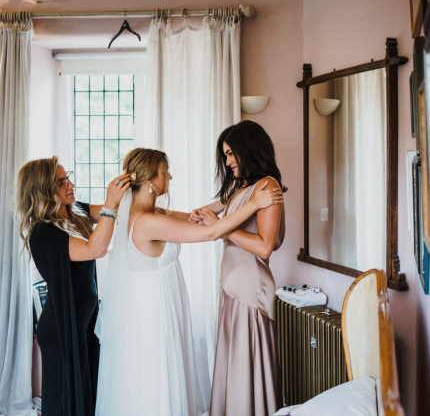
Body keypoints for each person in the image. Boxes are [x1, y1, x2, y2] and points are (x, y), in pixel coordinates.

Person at [94, 147, 283, 416]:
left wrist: (235, 198)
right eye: (165, 172)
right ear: (150, 181)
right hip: (154, 314)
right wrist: (255, 204)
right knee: (158, 381)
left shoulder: (151, 213)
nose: (169, 177)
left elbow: (197, 217)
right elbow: (211, 233)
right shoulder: (147, 221)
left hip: (156, 306)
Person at [15, 157, 130, 416]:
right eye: (61, 182)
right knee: (64, 399)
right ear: (43, 190)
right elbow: (95, 249)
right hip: (61, 328)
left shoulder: (74, 210)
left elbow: (116, 213)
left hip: (83, 323)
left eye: (67, 177)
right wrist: (111, 202)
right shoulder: (43, 234)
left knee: (85, 391)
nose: (71, 184)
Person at [190, 121, 286, 416]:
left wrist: (221, 229)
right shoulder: (239, 190)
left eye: (232, 154)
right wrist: (157, 210)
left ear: (248, 150)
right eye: (226, 155)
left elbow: (264, 246)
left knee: (248, 364)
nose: (228, 162)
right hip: (232, 287)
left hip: (249, 290)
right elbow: (201, 217)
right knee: (235, 364)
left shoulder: (266, 187)